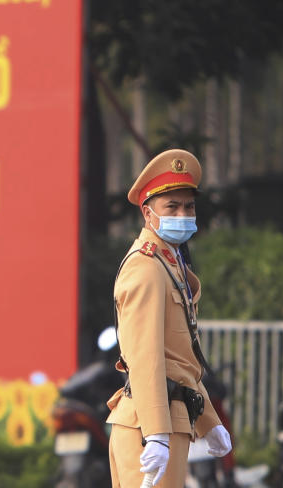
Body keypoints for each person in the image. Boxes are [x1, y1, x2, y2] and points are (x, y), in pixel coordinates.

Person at [106, 149, 232, 486]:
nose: (183, 214)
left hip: (166, 423)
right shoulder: (146, 268)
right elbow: (145, 357)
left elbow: (180, 361)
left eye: (188, 206)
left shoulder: (170, 265)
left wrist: (210, 422)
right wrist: (157, 432)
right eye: (171, 207)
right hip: (149, 430)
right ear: (148, 214)